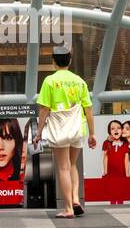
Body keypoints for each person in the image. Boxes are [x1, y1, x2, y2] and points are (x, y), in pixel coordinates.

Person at [35, 47, 96, 218]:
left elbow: (44, 109)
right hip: (78, 128)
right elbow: (88, 109)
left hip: (59, 129)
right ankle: (76, 199)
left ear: (53, 61)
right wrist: (92, 134)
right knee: (72, 165)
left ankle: (69, 208)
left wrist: (39, 132)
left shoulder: (49, 81)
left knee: (63, 168)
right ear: (69, 61)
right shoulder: (79, 81)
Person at [102, 119, 128, 204]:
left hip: (121, 172)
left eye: (118, 128)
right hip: (110, 172)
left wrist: (127, 173)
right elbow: (105, 157)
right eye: (113, 128)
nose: (116, 130)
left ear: (121, 130)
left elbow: (126, 159)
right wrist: (105, 171)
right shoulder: (106, 143)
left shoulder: (125, 144)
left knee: (121, 193)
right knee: (112, 193)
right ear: (109, 132)